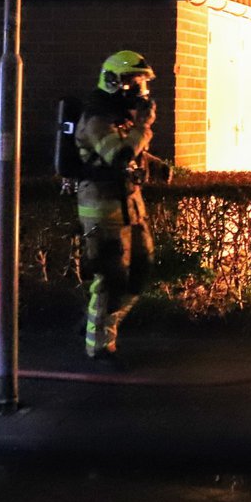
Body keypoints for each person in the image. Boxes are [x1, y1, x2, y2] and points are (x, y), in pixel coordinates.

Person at [74, 50, 159, 360]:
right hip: (101, 208)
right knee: (110, 277)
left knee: (140, 272)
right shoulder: (95, 118)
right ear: (113, 82)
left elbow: (131, 159)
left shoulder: (121, 119)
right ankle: (98, 347)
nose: (140, 92)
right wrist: (144, 127)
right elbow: (119, 156)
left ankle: (97, 325)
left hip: (130, 206)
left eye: (142, 85)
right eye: (134, 84)